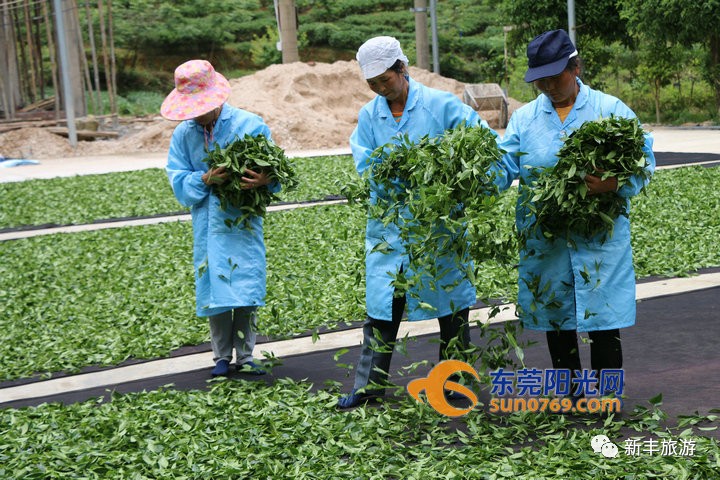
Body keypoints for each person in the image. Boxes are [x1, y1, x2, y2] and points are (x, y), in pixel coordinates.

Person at [494, 30, 656, 399]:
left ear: (576, 67)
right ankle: (570, 396)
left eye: (556, 77)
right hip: (547, 237)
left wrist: (612, 184)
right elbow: (502, 166)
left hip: (599, 238)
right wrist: (473, 173)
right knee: (557, 320)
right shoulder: (524, 119)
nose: (549, 86)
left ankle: (608, 397)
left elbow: (644, 162)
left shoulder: (610, 110)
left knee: (603, 321)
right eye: (541, 81)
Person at [338, 36, 492, 409]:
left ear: (402, 69)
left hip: (438, 226)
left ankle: (456, 383)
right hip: (389, 229)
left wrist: (442, 174)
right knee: (382, 310)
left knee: (452, 310)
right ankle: (368, 388)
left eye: (385, 81)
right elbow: (365, 160)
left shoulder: (440, 105)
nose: (380, 90)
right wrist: (393, 171)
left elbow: (480, 142)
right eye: (372, 85)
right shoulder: (369, 115)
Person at [162, 59, 277, 377]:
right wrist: (204, 179)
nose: (198, 115)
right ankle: (221, 357)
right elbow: (177, 176)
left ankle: (246, 355)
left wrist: (264, 180)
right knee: (215, 288)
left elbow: (274, 168)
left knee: (245, 285)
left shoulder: (250, 125)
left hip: (241, 220)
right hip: (207, 223)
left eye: (202, 108)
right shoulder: (184, 135)